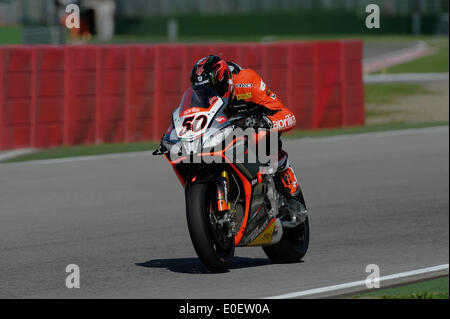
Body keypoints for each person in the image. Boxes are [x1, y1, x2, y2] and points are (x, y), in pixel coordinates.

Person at [190, 55, 302, 199]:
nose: (208, 95)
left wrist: (265, 122)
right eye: (202, 92)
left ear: (225, 81)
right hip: (227, 131)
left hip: (256, 125)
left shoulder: (247, 81)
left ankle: (282, 168)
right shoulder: (199, 98)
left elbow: (287, 115)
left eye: (212, 90)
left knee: (263, 139)